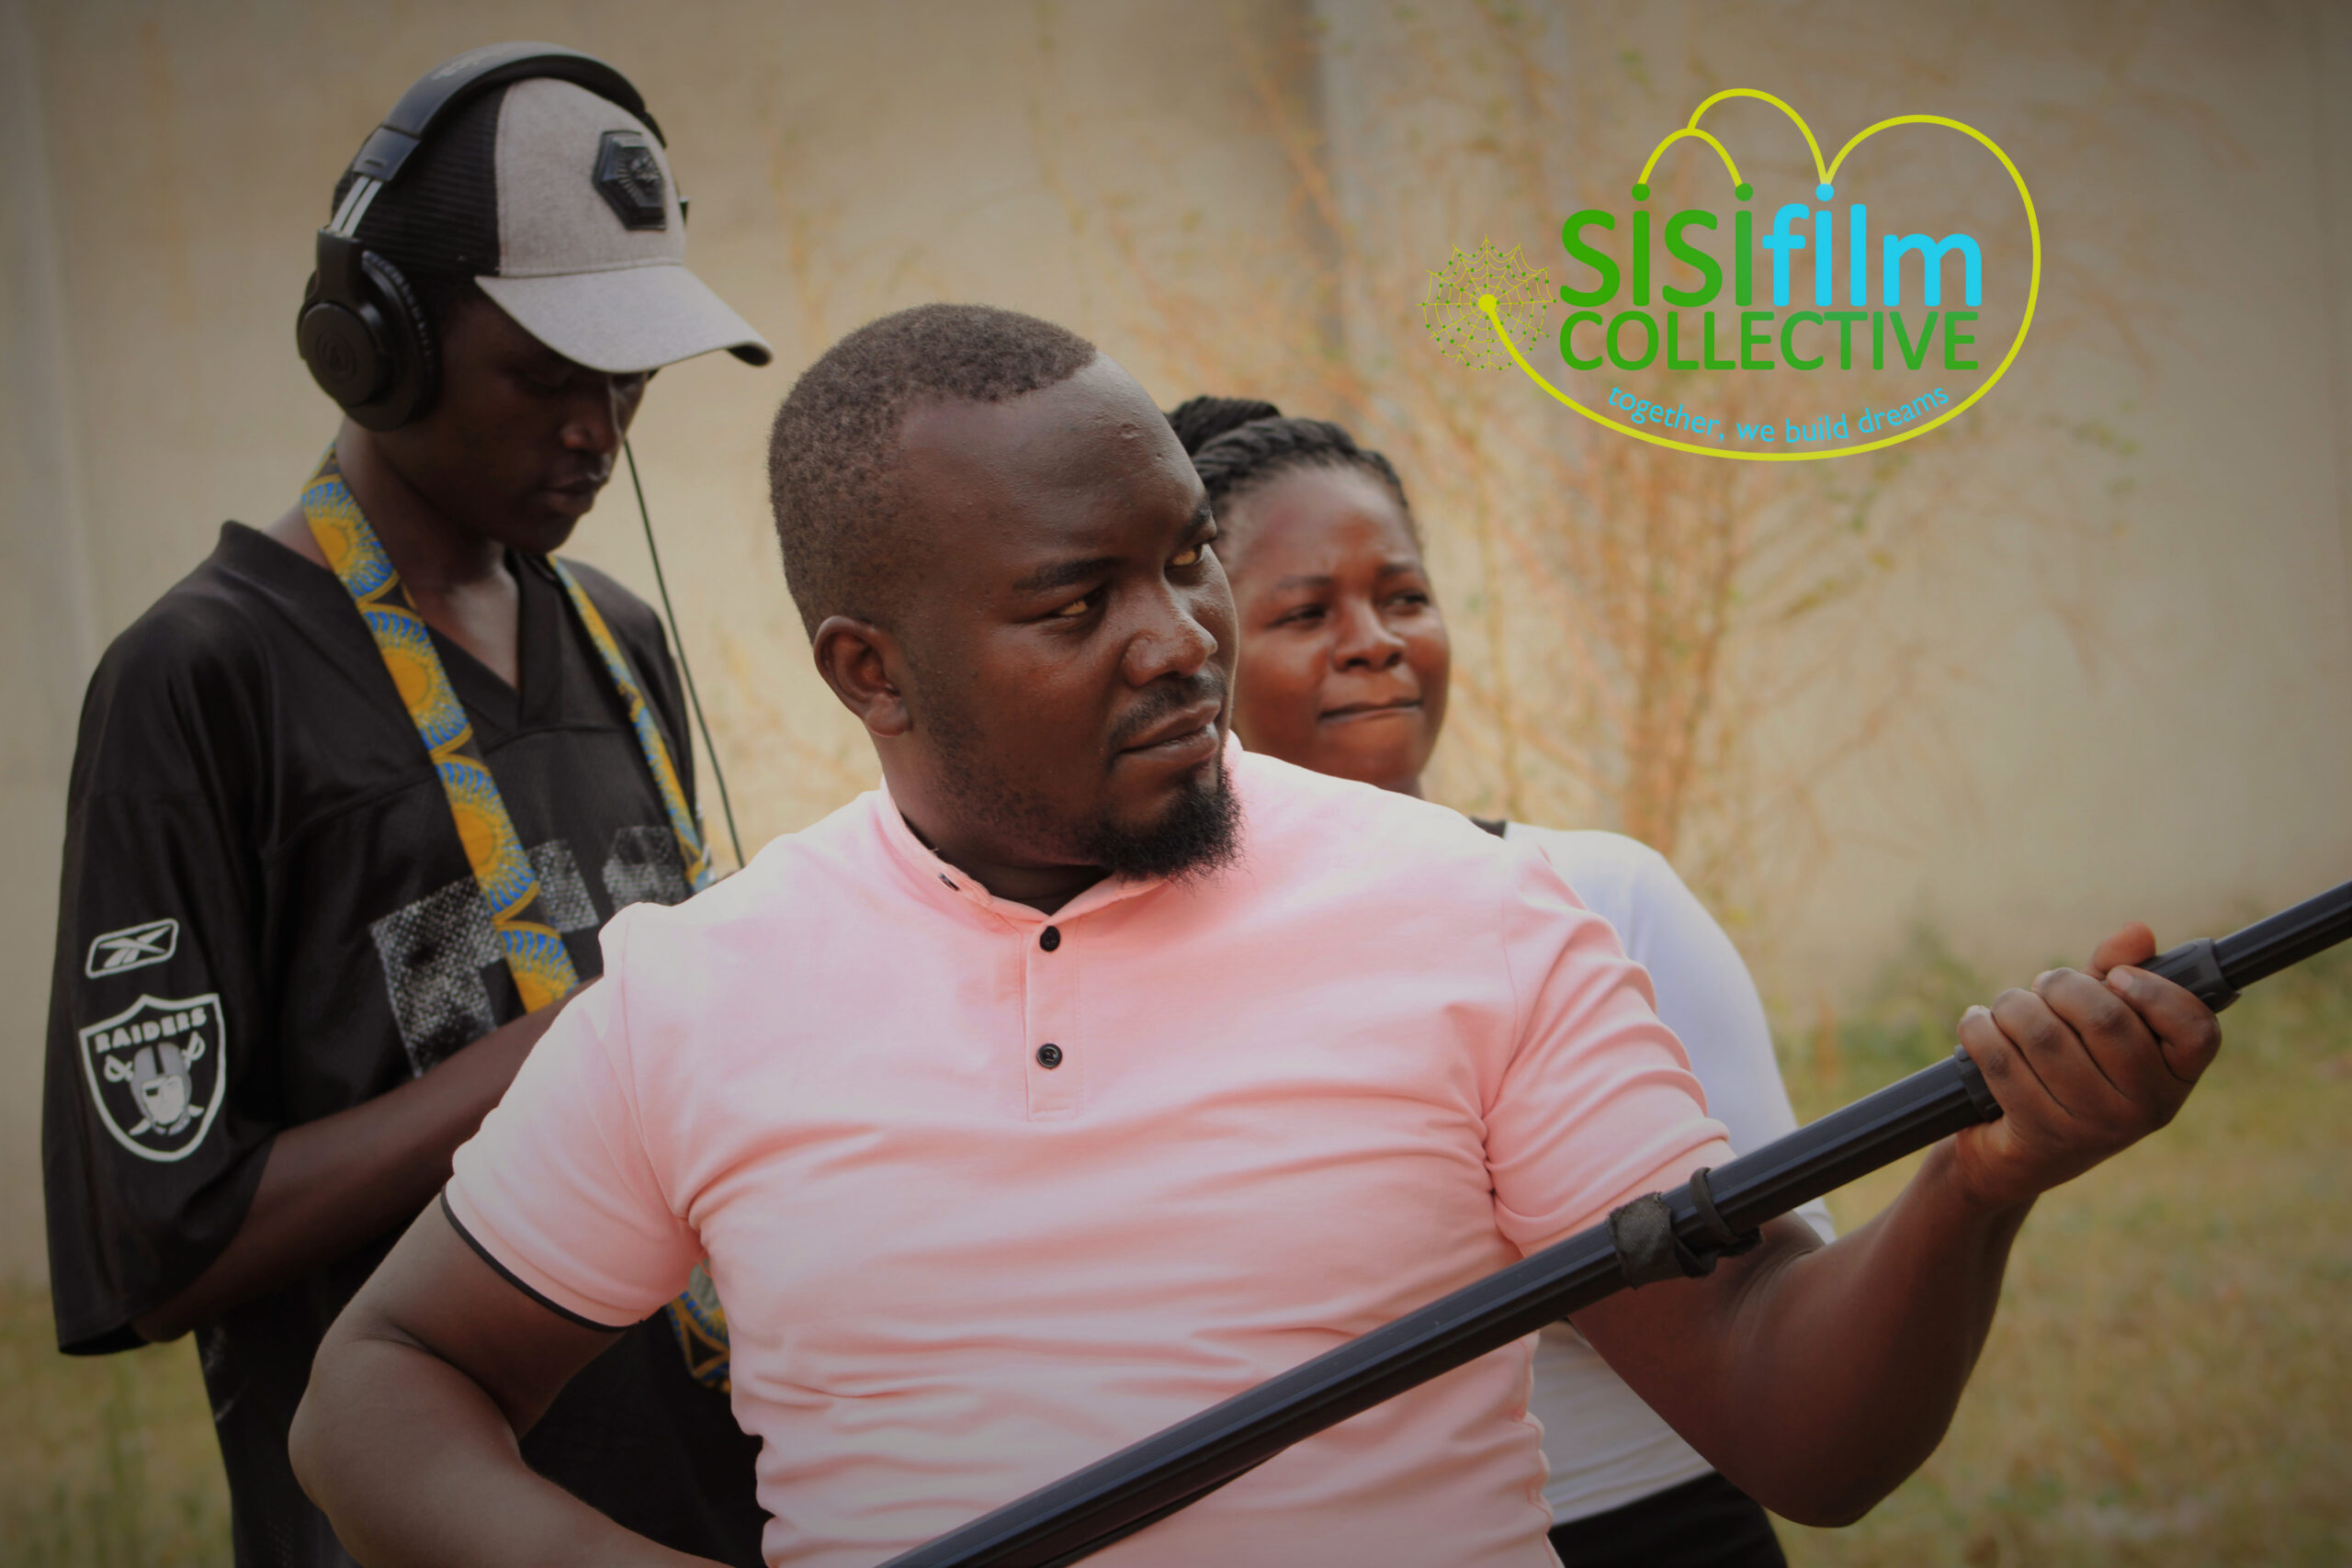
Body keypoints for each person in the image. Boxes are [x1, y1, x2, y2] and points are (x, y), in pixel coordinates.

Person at [288, 303, 2222, 1568]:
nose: (1180, 638)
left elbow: (1799, 1427)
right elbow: (382, 1386)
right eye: (1077, 602)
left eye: (1183, 554)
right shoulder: (705, 992)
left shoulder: (1473, 915)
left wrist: (1975, 1186)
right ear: (868, 671)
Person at [42, 48, 774, 1568]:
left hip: (704, 1511)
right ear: (374, 342)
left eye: (629, 376)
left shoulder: (620, 640)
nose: (603, 427)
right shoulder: (201, 679)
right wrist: (564, 1043)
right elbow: (165, 1246)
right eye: (551, 373)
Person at [1167, 396, 1823, 1564]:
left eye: (1403, 597)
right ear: (1196, 651)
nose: (1372, 639)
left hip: (1647, 1527)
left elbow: (1785, 1301)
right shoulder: (1138, 966)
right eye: (1306, 610)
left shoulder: (1595, 895)